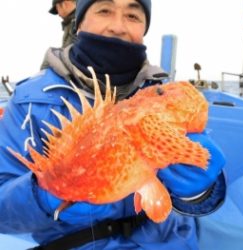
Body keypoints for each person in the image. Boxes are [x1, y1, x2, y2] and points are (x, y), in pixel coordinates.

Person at [0, 0, 226, 249]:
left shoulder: (160, 93)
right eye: (104, 10)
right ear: (79, 21)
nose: (118, 26)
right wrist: (46, 192)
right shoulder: (29, 101)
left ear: (144, 27)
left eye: (132, 15)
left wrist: (198, 191)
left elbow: (198, 203)